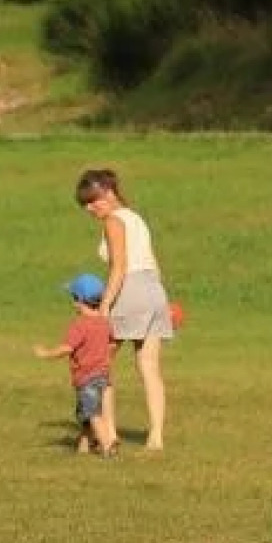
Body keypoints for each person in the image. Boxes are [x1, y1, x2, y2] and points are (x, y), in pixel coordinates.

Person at [77, 168, 174, 453]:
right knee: (150, 368)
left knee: (98, 365)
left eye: (93, 201)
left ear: (109, 193)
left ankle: (107, 433)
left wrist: (105, 304)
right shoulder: (137, 218)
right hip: (154, 290)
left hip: (129, 290)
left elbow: (119, 267)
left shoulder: (113, 221)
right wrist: (160, 301)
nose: (89, 208)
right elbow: (153, 262)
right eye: (85, 204)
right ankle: (155, 437)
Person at [35, 272, 119, 457]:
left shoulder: (79, 325)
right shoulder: (104, 323)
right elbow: (112, 344)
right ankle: (83, 446)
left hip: (87, 379)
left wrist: (46, 353)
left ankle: (107, 444)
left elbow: (66, 348)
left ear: (78, 300)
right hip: (104, 376)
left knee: (92, 413)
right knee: (84, 415)